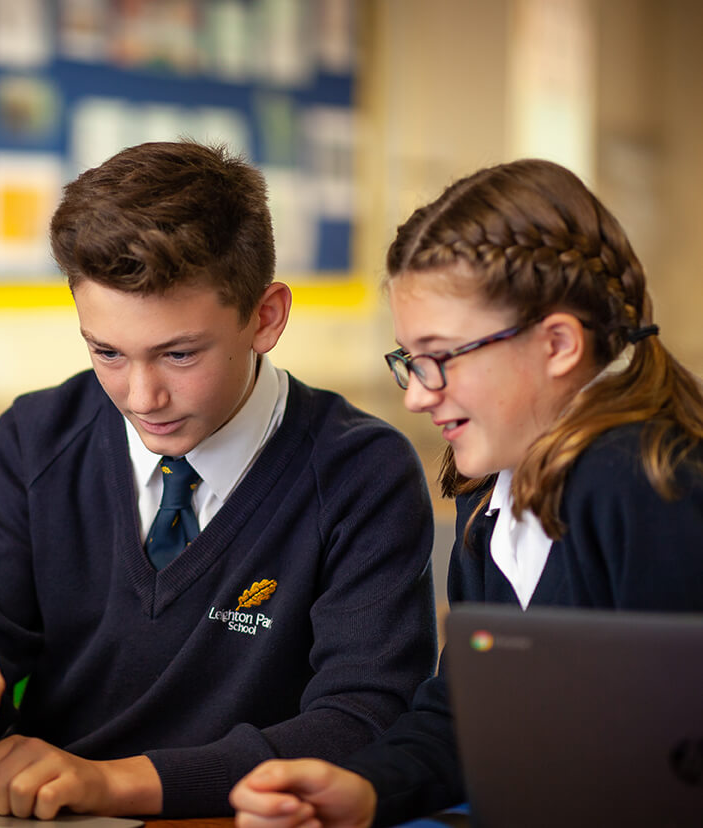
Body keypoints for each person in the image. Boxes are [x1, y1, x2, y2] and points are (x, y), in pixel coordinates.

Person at [0, 141, 438, 820]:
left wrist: (113, 782)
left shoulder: (360, 472)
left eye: (178, 354)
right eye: (106, 352)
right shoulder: (32, 442)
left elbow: (363, 718)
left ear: (266, 317)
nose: (142, 397)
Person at [229, 158, 703, 828]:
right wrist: (361, 790)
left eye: (440, 356)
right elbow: (464, 721)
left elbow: (670, 763)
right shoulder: (491, 499)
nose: (418, 393)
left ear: (559, 343)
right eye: (409, 360)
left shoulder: (642, 483)